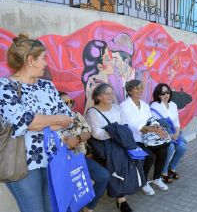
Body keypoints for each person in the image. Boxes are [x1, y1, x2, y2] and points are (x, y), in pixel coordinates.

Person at [0, 32, 73, 212]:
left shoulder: (47, 86)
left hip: (53, 160)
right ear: (30, 60)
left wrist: (37, 123)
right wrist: (52, 122)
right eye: (43, 58)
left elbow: (68, 118)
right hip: (23, 164)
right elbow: (25, 121)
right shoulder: (4, 86)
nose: (46, 63)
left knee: (53, 209)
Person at [85, 83, 134, 212]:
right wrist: (114, 131)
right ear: (98, 96)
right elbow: (96, 133)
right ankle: (121, 199)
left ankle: (122, 196)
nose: (111, 95)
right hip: (103, 147)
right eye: (107, 93)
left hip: (118, 144)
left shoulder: (116, 108)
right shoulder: (92, 112)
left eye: (112, 93)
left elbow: (124, 126)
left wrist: (116, 131)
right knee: (118, 159)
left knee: (126, 155)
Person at [58, 91, 109, 212]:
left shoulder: (76, 115)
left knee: (103, 176)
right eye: (65, 103)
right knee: (69, 190)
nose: (69, 105)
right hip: (61, 161)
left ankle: (88, 207)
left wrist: (77, 138)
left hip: (79, 158)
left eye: (71, 102)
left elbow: (87, 132)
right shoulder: (51, 120)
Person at [120, 79, 169, 195]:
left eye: (141, 87)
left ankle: (157, 178)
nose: (140, 90)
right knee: (149, 156)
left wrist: (156, 126)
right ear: (129, 91)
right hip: (134, 139)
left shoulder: (145, 105)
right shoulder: (124, 106)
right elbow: (134, 125)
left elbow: (150, 119)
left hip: (147, 138)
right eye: (137, 88)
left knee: (163, 151)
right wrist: (155, 130)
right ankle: (143, 182)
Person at [150, 83, 187, 183]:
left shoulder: (173, 105)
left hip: (173, 133)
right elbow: (155, 125)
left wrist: (177, 133)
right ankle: (163, 172)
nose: (166, 94)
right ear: (158, 94)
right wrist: (169, 136)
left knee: (182, 147)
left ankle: (172, 168)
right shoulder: (154, 106)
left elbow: (176, 121)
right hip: (160, 135)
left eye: (167, 92)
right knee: (170, 148)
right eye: (162, 93)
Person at [81, 40, 117, 117]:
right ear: (100, 66)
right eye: (108, 59)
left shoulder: (105, 84)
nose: (113, 61)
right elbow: (86, 116)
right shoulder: (95, 87)